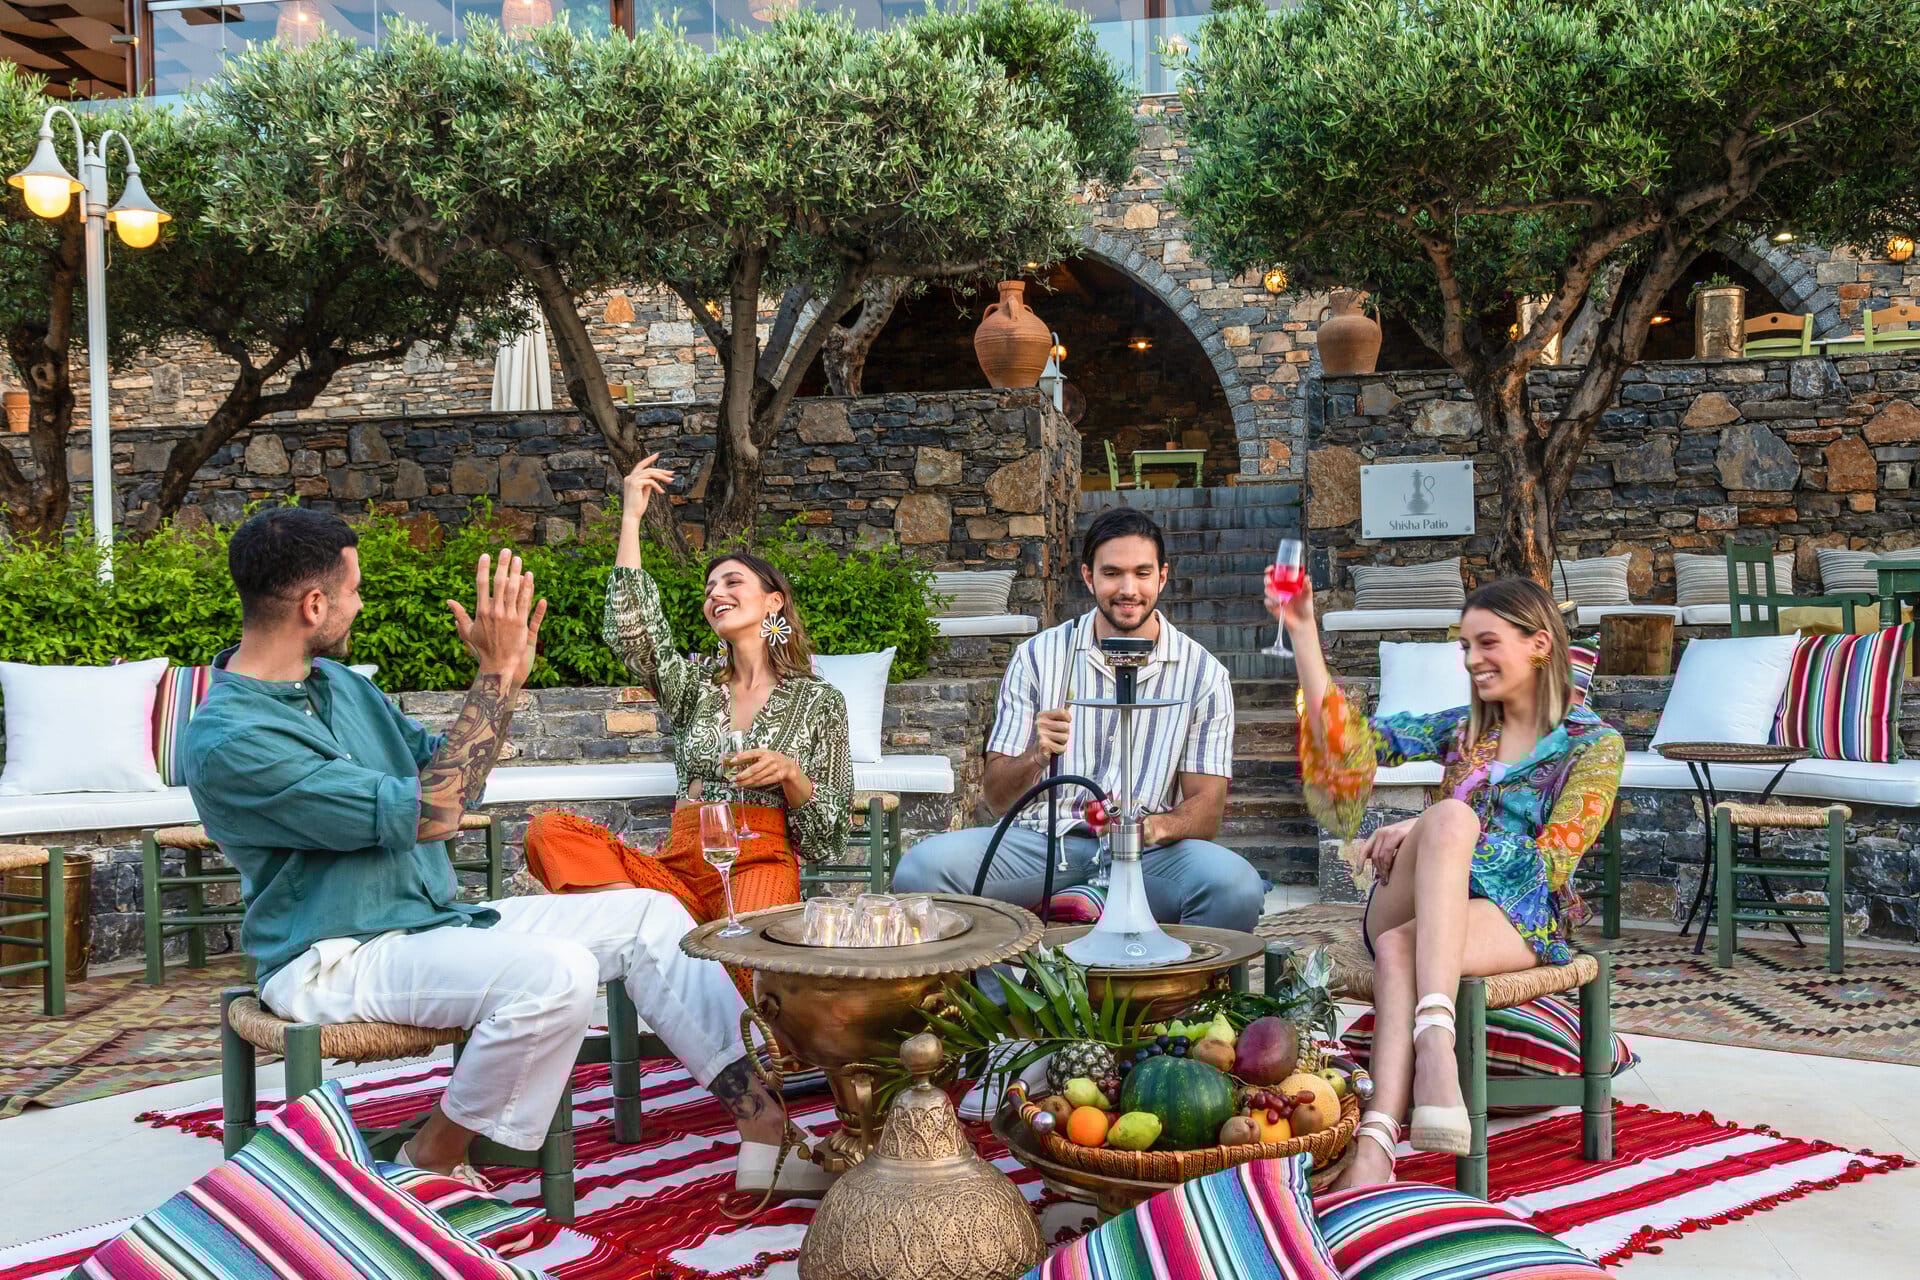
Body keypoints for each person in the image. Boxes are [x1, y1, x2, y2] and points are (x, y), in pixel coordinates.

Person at [184, 507, 826, 1196]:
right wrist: (492, 674)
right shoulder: (231, 741)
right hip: (333, 954)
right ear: (315, 605)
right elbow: (433, 814)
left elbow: (453, 777)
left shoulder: (342, 686)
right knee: (557, 974)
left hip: (429, 923)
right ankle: (432, 1152)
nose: (361, 602)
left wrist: (510, 675)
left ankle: (764, 1126)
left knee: (651, 914)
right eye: (354, 589)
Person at [1276, 575, 1623, 1190]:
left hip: (1517, 914)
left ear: (1540, 644)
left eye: (1486, 643)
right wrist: (1304, 632)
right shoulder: (1466, 728)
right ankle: (1435, 1045)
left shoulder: (1595, 745)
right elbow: (1350, 746)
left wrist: (1427, 826)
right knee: (1451, 818)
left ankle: (1377, 1145)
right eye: (1465, 646)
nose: (1471, 660)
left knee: (1402, 946)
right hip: (1410, 895)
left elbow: (1550, 863)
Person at [522, 456, 852, 976]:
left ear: (773, 603)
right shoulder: (694, 687)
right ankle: (665, 931)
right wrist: (631, 518)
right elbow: (635, 638)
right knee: (549, 832)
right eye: (708, 589)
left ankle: (696, 972)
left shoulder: (820, 702)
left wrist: (791, 775)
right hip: (677, 870)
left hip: (758, 862)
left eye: (732, 583)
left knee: (752, 962)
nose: (715, 593)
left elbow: (826, 839)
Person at [894, 506, 1260, 931]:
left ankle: (1170, 996)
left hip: (1151, 855)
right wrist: (1035, 754)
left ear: (1162, 576)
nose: (1128, 589)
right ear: (1089, 577)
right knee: (921, 870)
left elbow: (1207, 810)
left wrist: (1154, 828)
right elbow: (996, 798)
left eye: (1142, 573)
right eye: (1112, 573)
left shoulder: (1204, 674)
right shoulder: (1038, 657)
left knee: (1236, 887)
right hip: (1043, 842)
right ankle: (995, 996)